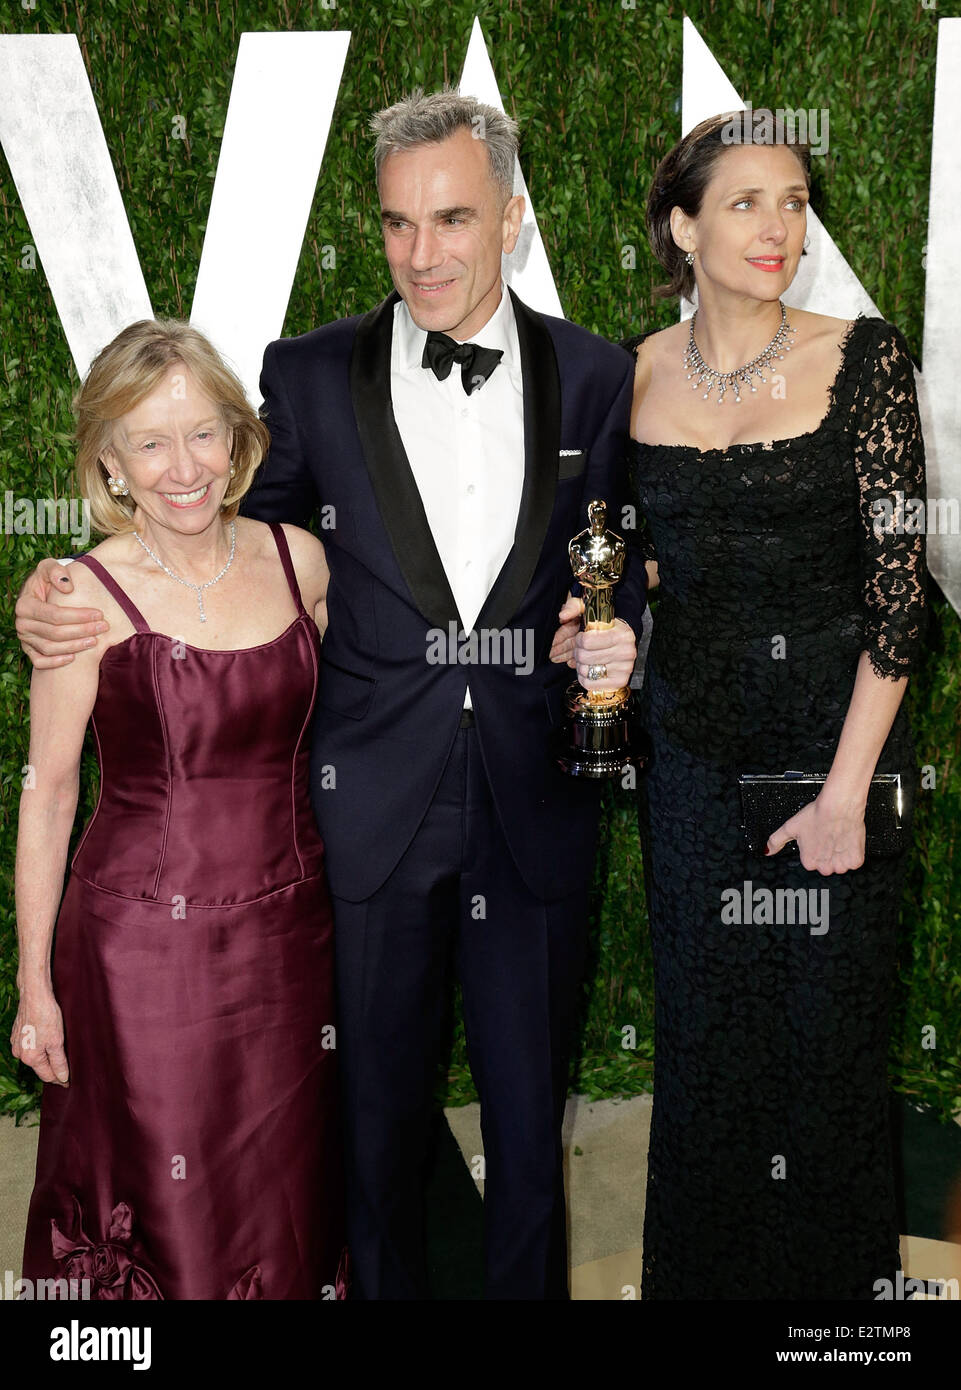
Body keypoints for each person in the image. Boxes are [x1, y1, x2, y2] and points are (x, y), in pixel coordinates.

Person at [14, 89, 644, 1300]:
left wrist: (623, 641)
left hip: (531, 813)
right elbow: (217, 545)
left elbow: (620, 565)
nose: (422, 254)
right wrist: (54, 596)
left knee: (526, 1144)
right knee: (365, 1145)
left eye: (453, 219)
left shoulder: (597, 377)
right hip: (357, 830)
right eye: (398, 223)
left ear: (512, 217)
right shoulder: (307, 376)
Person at [590, 112, 924, 1298]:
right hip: (689, 772)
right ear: (683, 226)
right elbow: (617, 571)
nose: (777, 226)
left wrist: (843, 799)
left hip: (833, 764)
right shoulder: (624, 375)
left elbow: (898, 603)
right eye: (745, 202)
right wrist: (603, 633)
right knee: (708, 1060)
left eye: (792, 201)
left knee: (825, 1063)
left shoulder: (863, 360)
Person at [12, 319, 346, 1300]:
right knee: (169, 1204)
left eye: (202, 433)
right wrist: (35, 982)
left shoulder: (303, 563)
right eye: (148, 442)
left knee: (282, 1191)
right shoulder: (82, 595)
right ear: (109, 462)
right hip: (138, 958)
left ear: (240, 440)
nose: (181, 466)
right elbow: (50, 795)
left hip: (294, 942)